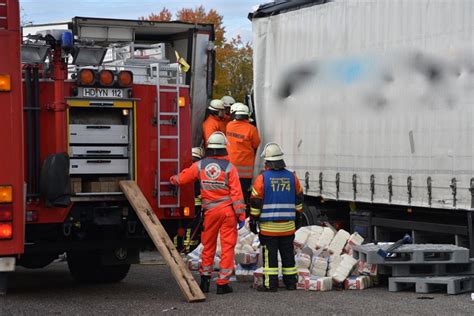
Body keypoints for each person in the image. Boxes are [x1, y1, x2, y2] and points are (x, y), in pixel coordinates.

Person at [170, 132, 246, 295]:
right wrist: (241, 215)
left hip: (210, 212)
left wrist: (173, 180)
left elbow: (184, 178)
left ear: (209, 148)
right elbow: (237, 195)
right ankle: (222, 283)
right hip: (227, 213)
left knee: (208, 245)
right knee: (227, 248)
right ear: (224, 148)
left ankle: (205, 280)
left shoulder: (200, 165)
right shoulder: (230, 168)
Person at [248, 142, 304, 292]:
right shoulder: (292, 177)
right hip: (288, 227)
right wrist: (297, 217)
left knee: (270, 257)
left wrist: (253, 219)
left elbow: (255, 202)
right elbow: (299, 199)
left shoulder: (262, 178)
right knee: (288, 256)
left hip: (269, 228)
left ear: (268, 162)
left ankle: (270, 284)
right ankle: (291, 283)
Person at [226, 102, 261, 212]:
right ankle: (242, 214)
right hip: (246, 172)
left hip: (230, 169)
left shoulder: (229, 126)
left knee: (232, 194)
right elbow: (256, 144)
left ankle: (232, 213)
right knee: (243, 195)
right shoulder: (252, 129)